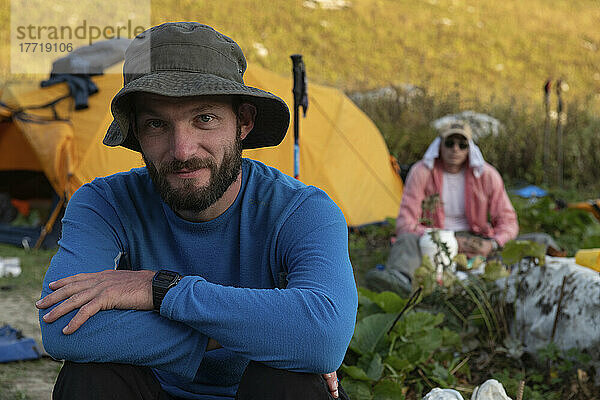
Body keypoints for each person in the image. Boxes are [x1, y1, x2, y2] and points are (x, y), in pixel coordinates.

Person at [36, 22, 357, 400]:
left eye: (204, 118)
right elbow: (62, 329)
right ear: (136, 133)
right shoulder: (104, 203)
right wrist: (264, 331)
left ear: (244, 122)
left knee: (292, 380)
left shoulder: (303, 210)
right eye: (157, 124)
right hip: (152, 390)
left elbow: (323, 337)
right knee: (91, 377)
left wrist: (159, 290)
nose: (183, 150)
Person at [365, 121, 519, 295]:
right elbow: (405, 223)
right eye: (449, 143)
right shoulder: (421, 172)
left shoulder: (487, 175)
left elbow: (508, 221)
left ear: (469, 148)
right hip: (433, 238)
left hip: (474, 240)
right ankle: (400, 281)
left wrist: (492, 244)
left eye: (462, 145)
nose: (455, 149)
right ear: (439, 145)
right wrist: (443, 239)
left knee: (532, 243)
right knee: (406, 240)